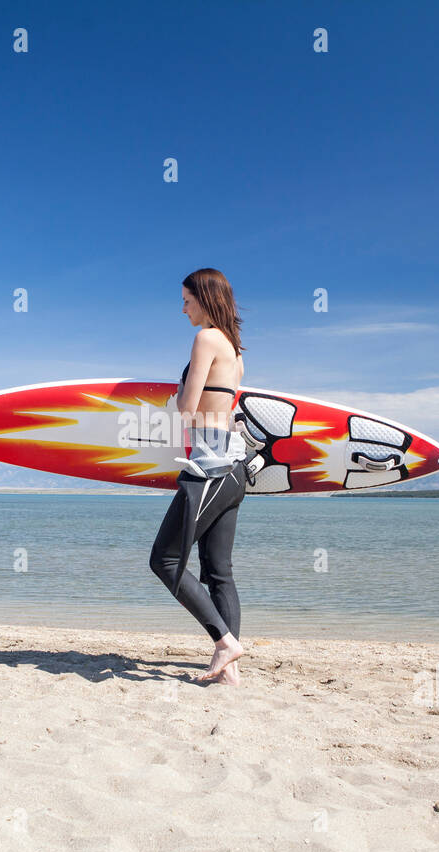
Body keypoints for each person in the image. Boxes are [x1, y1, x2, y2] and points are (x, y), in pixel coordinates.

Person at [149, 268, 249, 685]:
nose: (183, 307)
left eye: (187, 300)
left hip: (209, 468)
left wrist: (177, 390)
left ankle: (225, 643)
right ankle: (229, 671)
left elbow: (187, 410)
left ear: (206, 300)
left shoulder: (206, 338)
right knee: (219, 570)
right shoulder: (237, 351)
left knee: (166, 560)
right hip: (235, 470)